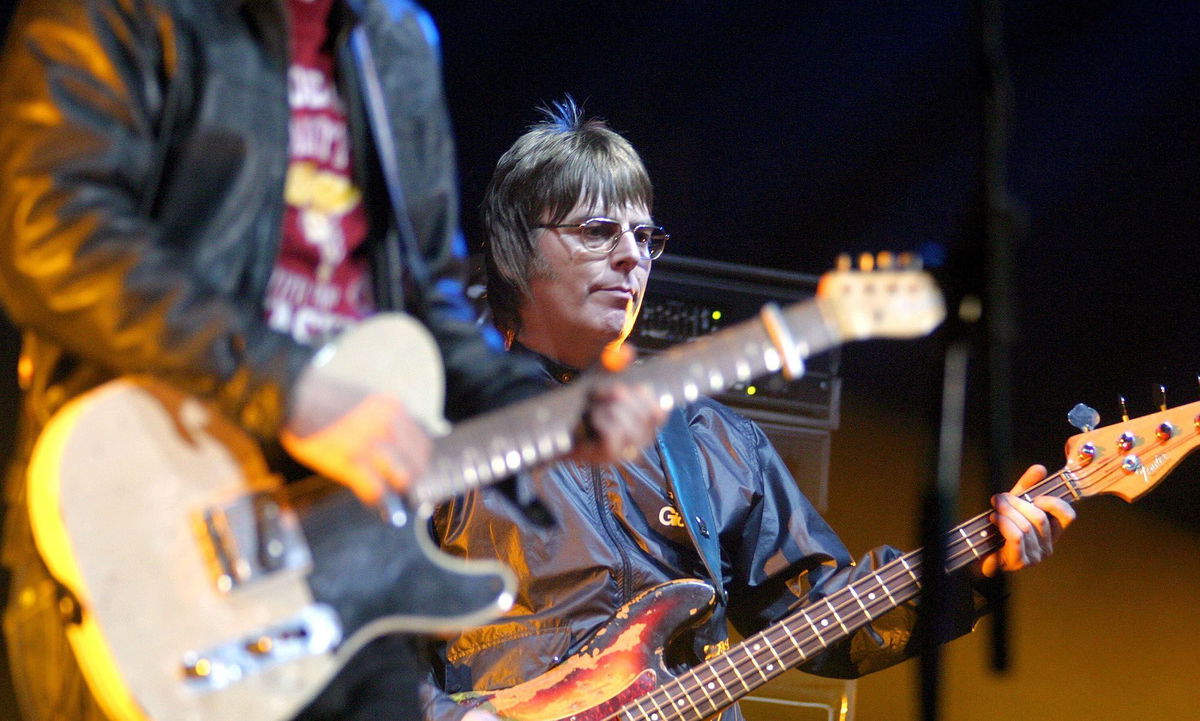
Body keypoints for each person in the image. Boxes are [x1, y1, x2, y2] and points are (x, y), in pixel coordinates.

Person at [0, 4, 661, 721]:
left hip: (343, 559)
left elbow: (429, 309)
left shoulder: (395, 39)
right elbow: (53, 236)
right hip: (155, 531)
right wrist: (288, 388)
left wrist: (550, 413)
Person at [418, 99, 1076, 721]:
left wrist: (975, 572)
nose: (631, 256)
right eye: (597, 230)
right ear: (513, 248)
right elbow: (337, 623)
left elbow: (822, 615)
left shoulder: (706, 438)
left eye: (646, 236)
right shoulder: (431, 425)